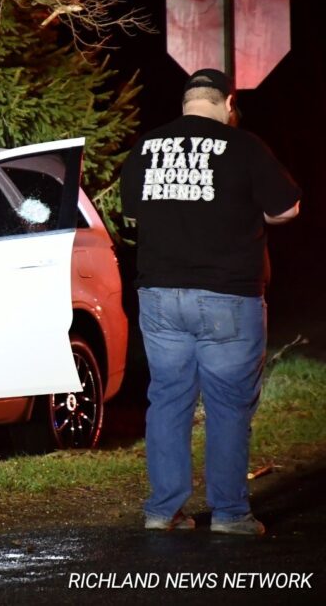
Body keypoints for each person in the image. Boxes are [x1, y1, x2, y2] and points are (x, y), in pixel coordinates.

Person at [120, 68, 301, 535]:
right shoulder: (244, 146)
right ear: (228, 103)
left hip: (159, 296)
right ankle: (230, 514)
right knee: (227, 405)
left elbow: (135, 208)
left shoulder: (147, 147)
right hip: (228, 297)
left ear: (186, 104)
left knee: (167, 400)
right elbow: (287, 207)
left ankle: (163, 511)